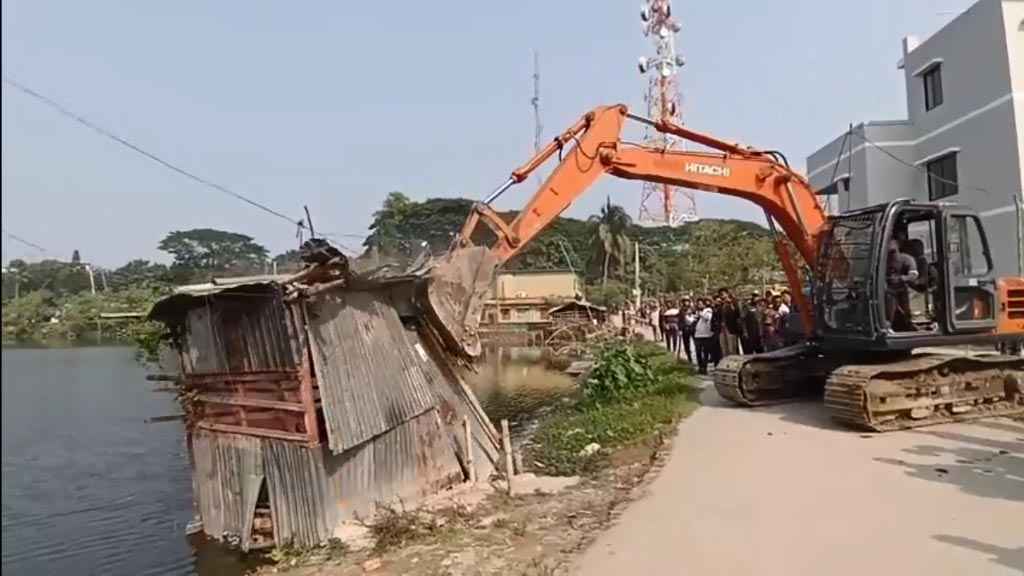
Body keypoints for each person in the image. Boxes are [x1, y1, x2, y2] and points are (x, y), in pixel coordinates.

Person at [885, 237, 919, 331]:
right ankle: (888, 326)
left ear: (898, 245)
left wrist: (901, 278)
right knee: (889, 310)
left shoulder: (907, 259)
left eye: (892, 243)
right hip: (888, 291)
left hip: (902, 289)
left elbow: (914, 275)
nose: (890, 246)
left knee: (906, 310)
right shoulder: (883, 260)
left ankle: (908, 324)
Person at [693, 298, 715, 374]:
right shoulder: (697, 312)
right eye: (698, 304)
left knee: (705, 353)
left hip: (706, 335)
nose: (699, 305)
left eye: (700, 304)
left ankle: (704, 368)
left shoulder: (708, 310)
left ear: (704, 304)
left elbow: (707, 318)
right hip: (697, 335)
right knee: (698, 352)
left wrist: (700, 314)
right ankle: (700, 367)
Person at [718, 288, 742, 356]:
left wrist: (731, 303)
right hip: (722, 329)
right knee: (724, 349)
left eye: (723, 294)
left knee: (732, 349)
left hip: (731, 329)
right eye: (720, 295)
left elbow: (737, 313)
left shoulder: (733, 302)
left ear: (727, 294)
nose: (722, 296)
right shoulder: (720, 305)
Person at [680, 297, 696, 363]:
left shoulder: (693, 308)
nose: (686, 303)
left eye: (687, 301)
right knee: (686, 344)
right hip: (685, 329)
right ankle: (689, 357)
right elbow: (680, 320)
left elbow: (696, 316)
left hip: (693, 328)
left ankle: (697, 356)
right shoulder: (681, 310)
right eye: (684, 301)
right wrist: (680, 329)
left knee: (696, 343)